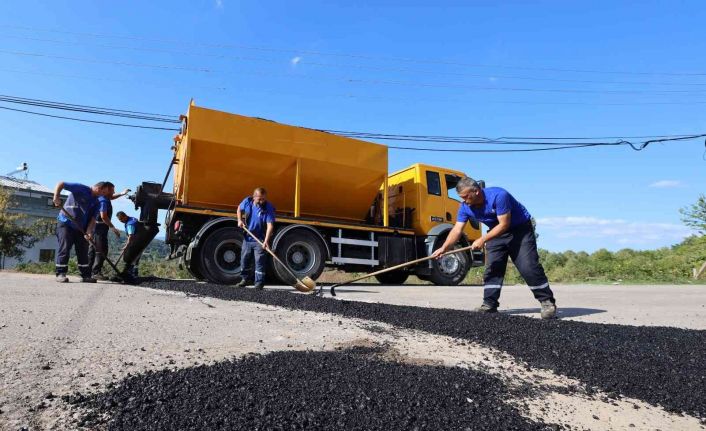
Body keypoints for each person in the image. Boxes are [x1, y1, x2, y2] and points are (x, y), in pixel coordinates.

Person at [431, 177, 557, 319]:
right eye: (461, 198)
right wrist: (444, 248)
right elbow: (457, 230)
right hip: (495, 232)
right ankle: (489, 304)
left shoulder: (499, 196)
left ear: (476, 191)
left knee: (528, 267)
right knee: (492, 268)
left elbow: (504, 224)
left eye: (466, 197)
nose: (464, 201)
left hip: (520, 231)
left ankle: (547, 302)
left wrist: (482, 239)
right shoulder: (465, 206)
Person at [52, 181, 114, 283]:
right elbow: (61, 184)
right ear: (98, 188)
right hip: (66, 223)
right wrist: (56, 196)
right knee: (65, 248)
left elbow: (93, 220)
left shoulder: (97, 202)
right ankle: (60, 273)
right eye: (103, 192)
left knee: (83, 250)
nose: (103, 195)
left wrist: (89, 232)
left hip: (81, 228)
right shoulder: (81, 188)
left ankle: (85, 275)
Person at [234, 187, 275, 289]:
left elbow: (270, 225)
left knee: (259, 261)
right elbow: (239, 208)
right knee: (244, 259)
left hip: (260, 239)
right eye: (260, 199)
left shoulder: (268, 207)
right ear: (254, 197)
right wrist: (239, 220)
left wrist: (266, 241)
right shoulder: (247, 202)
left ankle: (259, 283)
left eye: (263, 199)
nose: (262, 201)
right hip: (248, 237)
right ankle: (245, 279)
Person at [88, 186, 130, 280]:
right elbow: (103, 216)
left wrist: (122, 193)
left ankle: (88, 272)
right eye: (112, 190)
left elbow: (112, 197)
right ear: (106, 190)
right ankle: (96, 272)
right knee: (101, 250)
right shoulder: (103, 201)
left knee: (92, 249)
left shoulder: (102, 198)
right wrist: (113, 228)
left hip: (94, 227)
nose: (114, 192)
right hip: (100, 228)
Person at [116, 211, 142, 280]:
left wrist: (126, 246)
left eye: (121, 219)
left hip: (135, 243)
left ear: (125, 216)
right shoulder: (132, 219)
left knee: (130, 259)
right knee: (136, 259)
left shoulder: (130, 224)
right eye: (119, 220)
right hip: (140, 241)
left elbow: (131, 236)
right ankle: (133, 274)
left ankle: (130, 274)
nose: (121, 221)